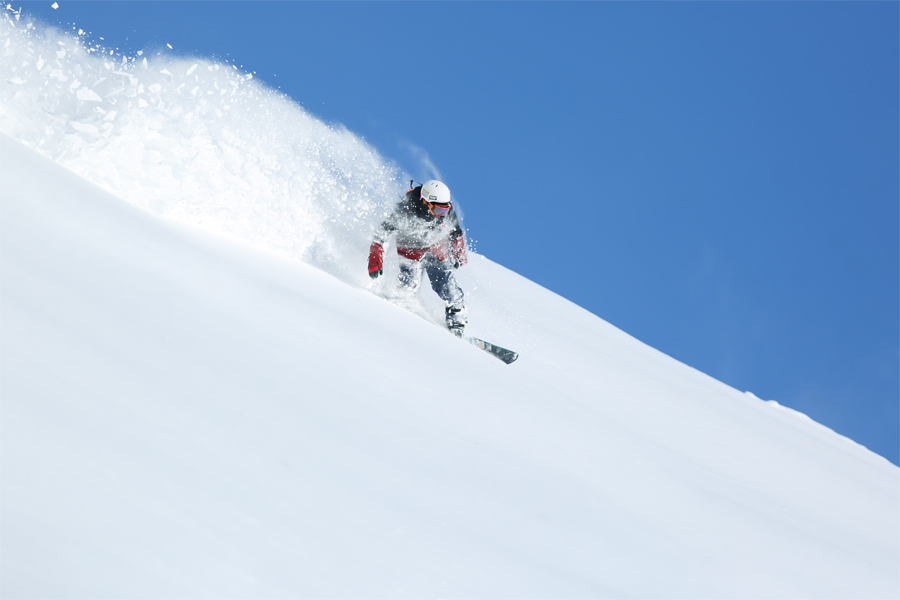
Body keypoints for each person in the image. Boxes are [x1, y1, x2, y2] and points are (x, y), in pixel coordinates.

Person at [368, 180, 468, 335]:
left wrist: (459, 254)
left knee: (446, 287)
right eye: (438, 210)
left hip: (436, 248)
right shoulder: (405, 210)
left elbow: (455, 233)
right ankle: (401, 310)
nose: (441, 214)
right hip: (410, 249)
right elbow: (383, 233)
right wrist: (375, 257)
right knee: (409, 284)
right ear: (426, 202)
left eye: (444, 210)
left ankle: (457, 318)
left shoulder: (446, 211)